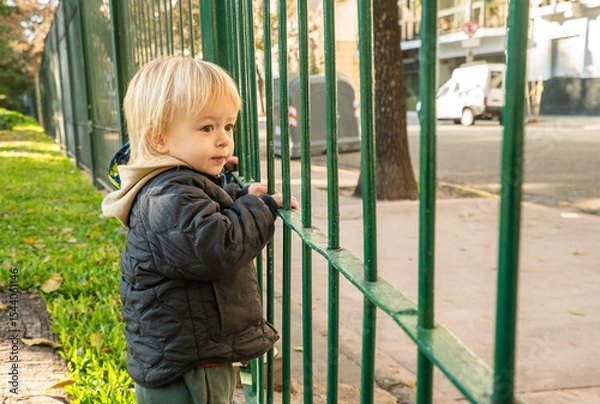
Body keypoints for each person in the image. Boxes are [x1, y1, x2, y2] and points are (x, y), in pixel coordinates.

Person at [102, 55, 299, 404]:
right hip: (190, 367)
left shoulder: (173, 184)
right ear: (160, 140)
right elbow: (216, 247)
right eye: (207, 128)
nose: (223, 140)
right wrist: (259, 208)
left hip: (187, 354)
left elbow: (205, 211)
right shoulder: (168, 195)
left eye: (229, 126)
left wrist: (239, 196)